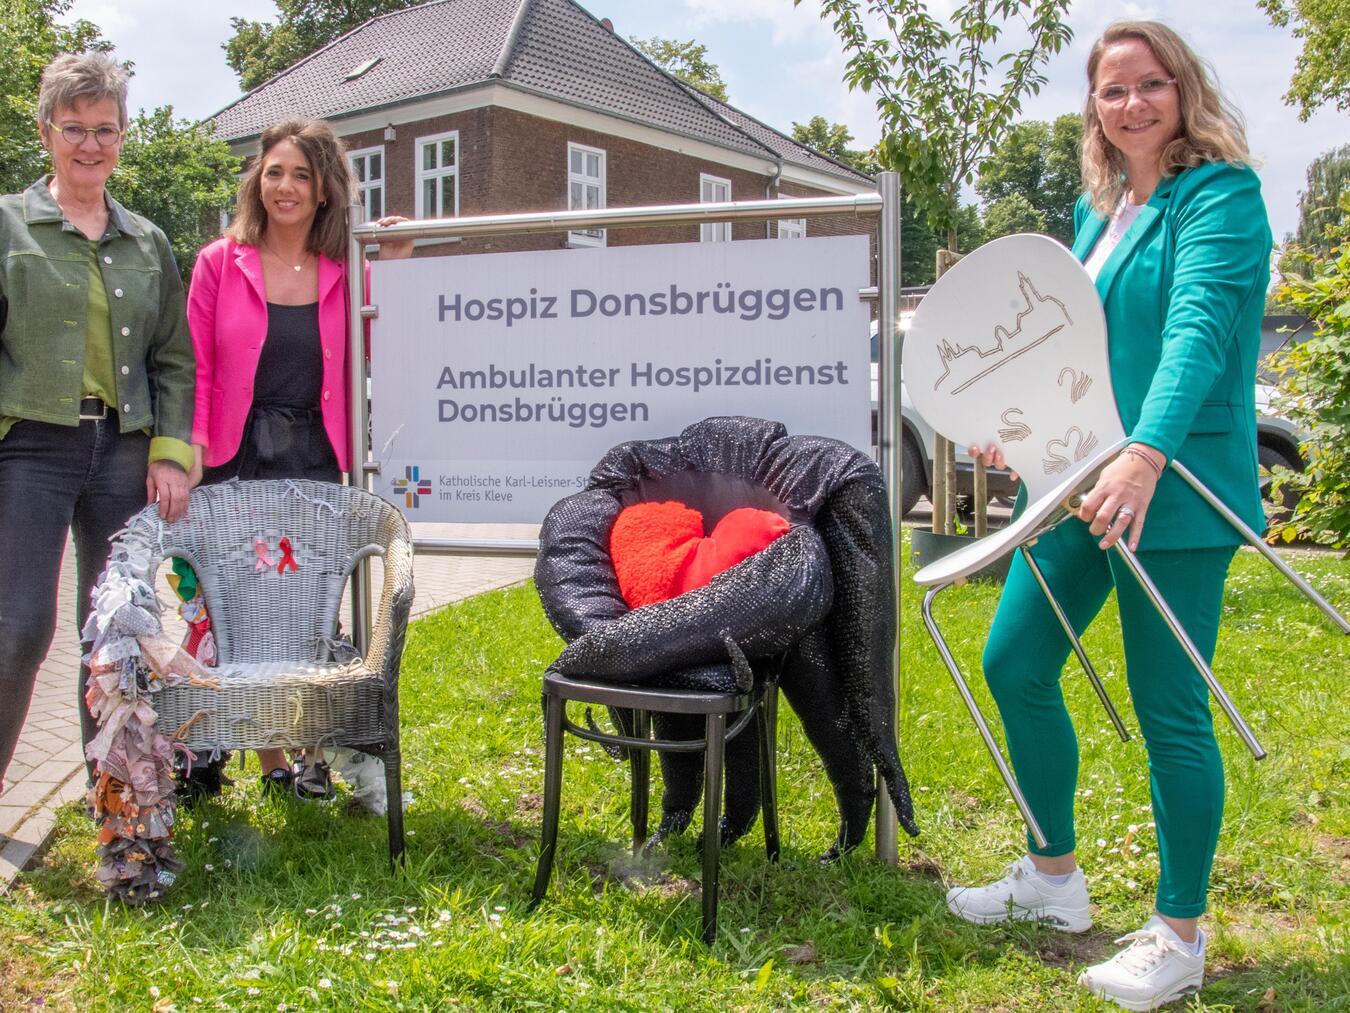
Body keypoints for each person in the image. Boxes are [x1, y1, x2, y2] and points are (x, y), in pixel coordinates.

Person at [944, 21, 1271, 1012]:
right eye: (1110, 90)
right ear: (1092, 105)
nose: (1130, 104)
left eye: (1149, 84)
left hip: (1173, 492)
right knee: (1014, 657)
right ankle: (1053, 879)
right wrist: (1012, 433)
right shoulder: (1103, 212)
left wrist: (1145, 452)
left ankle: (1179, 932)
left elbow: (1196, 335)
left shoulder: (1220, 197)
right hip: (1084, 487)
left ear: (1185, 89)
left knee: (1171, 709)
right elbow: (1069, 352)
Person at [181, 117, 410, 799]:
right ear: (258, 179)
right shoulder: (219, 262)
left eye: (301, 175)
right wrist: (189, 450)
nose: (284, 186)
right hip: (234, 456)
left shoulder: (348, 268)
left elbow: (389, 338)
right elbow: (192, 364)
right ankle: (257, 757)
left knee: (308, 607)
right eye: (274, 171)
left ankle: (310, 753)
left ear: (323, 192)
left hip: (315, 458)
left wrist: (393, 260)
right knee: (230, 607)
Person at [0, 54, 194, 797]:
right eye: (74, 128)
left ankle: (115, 800)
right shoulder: (9, 225)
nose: (90, 145)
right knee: (19, 630)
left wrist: (170, 454)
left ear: (123, 136)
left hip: (122, 451)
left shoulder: (147, 242)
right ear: (47, 130)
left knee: (121, 635)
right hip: (31, 452)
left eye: (105, 129)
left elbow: (173, 359)